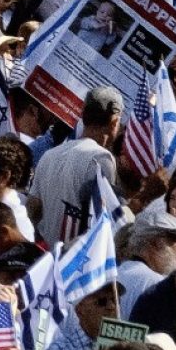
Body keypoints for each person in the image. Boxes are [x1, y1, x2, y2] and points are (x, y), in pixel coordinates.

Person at [27, 84, 122, 247]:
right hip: (74, 260)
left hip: (45, 257)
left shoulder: (50, 155)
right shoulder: (101, 158)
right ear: (114, 122)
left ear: (83, 116)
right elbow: (101, 218)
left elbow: (32, 209)